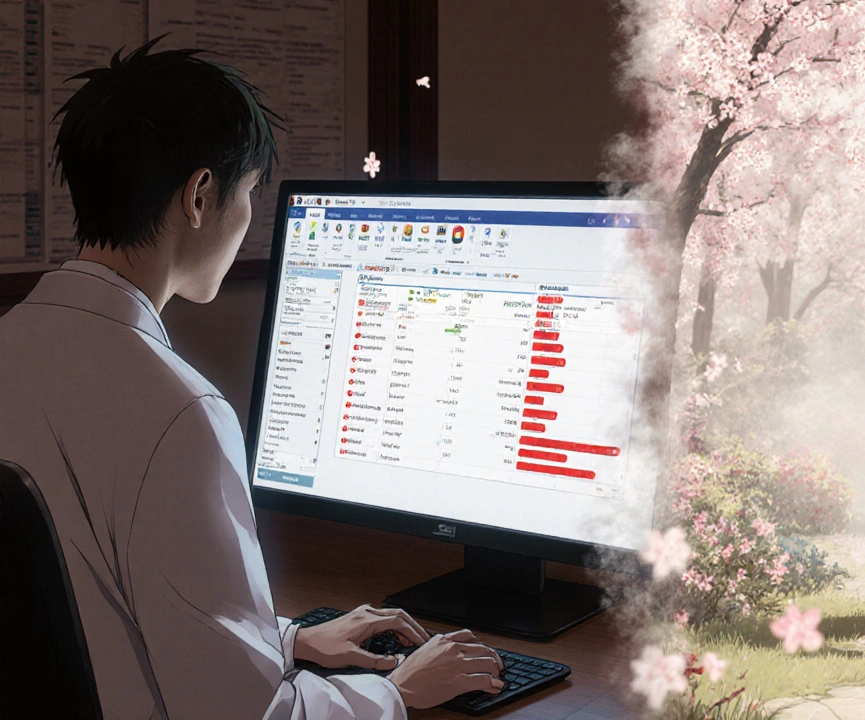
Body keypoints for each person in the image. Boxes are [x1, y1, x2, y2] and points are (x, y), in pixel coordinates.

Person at [0, 38, 504, 718]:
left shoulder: (14, 343)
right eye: (250, 193)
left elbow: (88, 616)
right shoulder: (177, 411)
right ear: (201, 196)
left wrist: (284, 638)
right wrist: (395, 690)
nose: (248, 220)